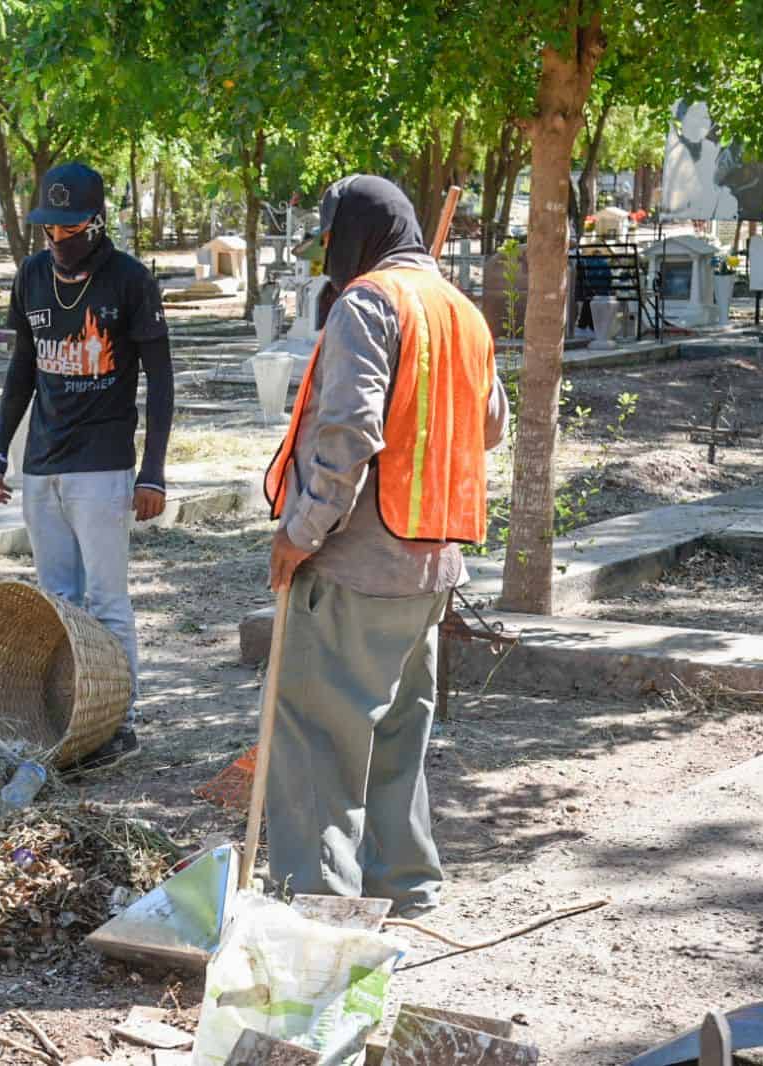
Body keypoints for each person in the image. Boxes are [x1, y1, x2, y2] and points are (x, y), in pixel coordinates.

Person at [262, 175, 508, 915]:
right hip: (431, 564)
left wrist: (299, 532)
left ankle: (322, 912)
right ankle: (406, 887)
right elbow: (489, 426)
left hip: (354, 565)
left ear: (355, 236)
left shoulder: (369, 304)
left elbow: (347, 433)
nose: (327, 257)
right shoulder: (460, 311)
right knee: (398, 735)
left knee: (315, 742)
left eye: (329, 239)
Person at [0, 162, 175, 769]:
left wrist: (153, 471)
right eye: (48, 231)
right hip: (43, 463)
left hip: (103, 462)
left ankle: (122, 718)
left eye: (67, 231)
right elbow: (21, 372)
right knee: (57, 598)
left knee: (106, 599)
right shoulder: (32, 278)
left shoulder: (130, 281)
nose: (56, 242)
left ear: (95, 224)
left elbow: (162, 381)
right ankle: (75, 715)